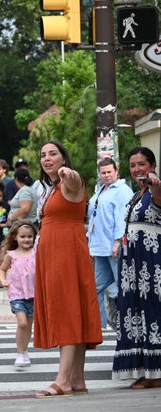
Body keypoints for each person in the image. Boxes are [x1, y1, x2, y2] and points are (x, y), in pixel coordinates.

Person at [34, 141, 102, 397]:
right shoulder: (50, 189)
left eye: (53, 154)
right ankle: (76, 379)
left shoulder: (70, 182)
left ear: (64, 158)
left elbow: (73, 181)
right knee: (74, 309)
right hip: (56, 254)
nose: (47, 158)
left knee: (67, 310)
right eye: (43, 155)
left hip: (66, 255)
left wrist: (67, 174)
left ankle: (62, 380)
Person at [112, 147, 161, 389]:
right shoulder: (136, 194)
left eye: (142, 164)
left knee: (153, 311)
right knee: (135, 312)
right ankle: (146, 370)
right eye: (133, 165)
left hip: (151, 264)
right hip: (131, 263)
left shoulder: (155, 190)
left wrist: (154, 184)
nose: (137, 169)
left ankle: (157, 373)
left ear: (152, 165)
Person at [86, 157, 133, 331]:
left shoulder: (122, 190)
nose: (106, 175)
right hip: (99, 246)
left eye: (109, 172)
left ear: (116, 172)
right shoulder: (101, 190)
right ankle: (100, 325)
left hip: (113, 246)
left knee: (122, 287)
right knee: (97, 287)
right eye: (103, 172)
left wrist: (118, 241)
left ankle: (128, 324)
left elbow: (123, 217)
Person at [0, 220, 38, 368]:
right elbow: (2, 269)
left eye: (29, 236)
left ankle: (24, 351)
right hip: (16, 292)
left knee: (28, 325)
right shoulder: (11, 255)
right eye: (23, 236)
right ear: (15, 237)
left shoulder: (36, 253)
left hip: (34, 293)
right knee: (22, 322)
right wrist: (3, 280)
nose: (26, 239)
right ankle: (20, 353)